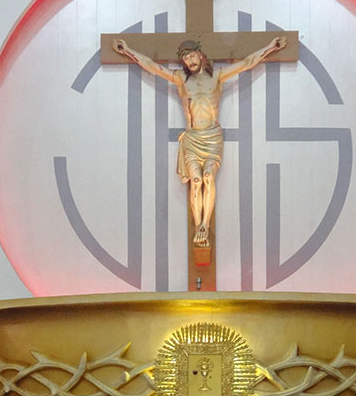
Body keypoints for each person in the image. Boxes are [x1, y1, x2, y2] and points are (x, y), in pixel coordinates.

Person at [111, 34, 287, 248]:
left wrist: (270, 47)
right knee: (196, 181)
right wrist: (127, 51)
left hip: (212, 137)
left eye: (192, 56)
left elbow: (247, 63)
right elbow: (153, 67)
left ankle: (205, 222)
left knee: (208, 178)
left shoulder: (218, 76)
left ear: (201, 55)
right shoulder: (181, 80)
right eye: (185, 59)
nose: (190, 62)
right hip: (193, 138)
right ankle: (199, 226)